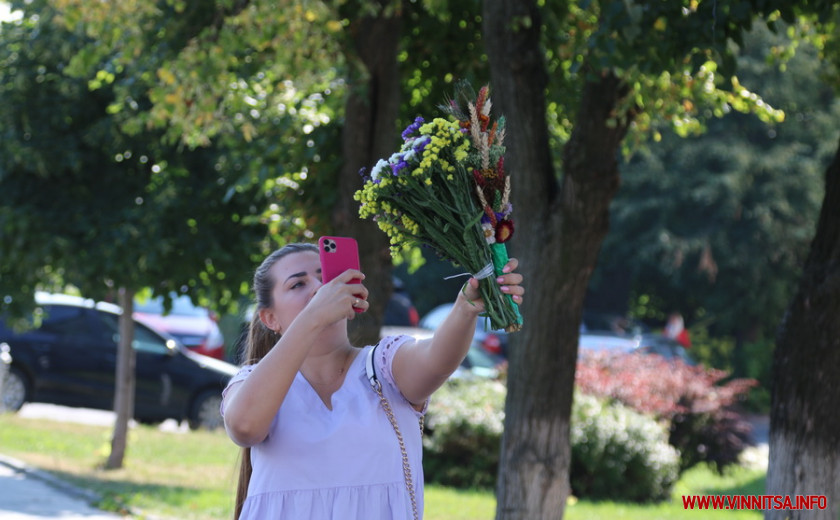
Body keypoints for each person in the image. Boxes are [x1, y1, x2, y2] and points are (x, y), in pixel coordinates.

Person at [221, 242, 525, 520]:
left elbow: (435, 359)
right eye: (298, 283)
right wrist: (313, 317)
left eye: (324, 276)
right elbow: (245, 426)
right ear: (270, 318)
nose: (319, 289)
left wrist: (465, 308)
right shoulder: (251, 382)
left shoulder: (382, 365)